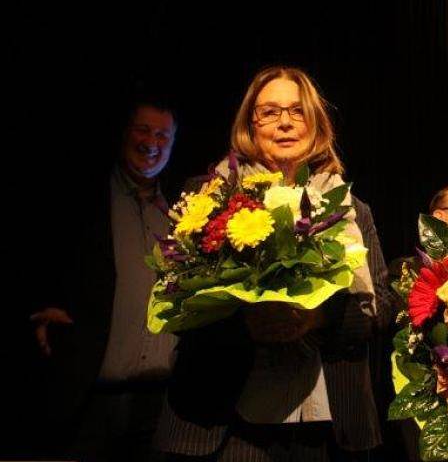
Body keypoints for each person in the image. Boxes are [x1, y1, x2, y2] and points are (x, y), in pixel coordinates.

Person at [154, 66, 394, 461]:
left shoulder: (353, 210)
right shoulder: (207, 197)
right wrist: (246, 321)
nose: (285, 122)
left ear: (316, 123)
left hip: (327, 427)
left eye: (297, 111)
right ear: (250, 125)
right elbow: (175, 296)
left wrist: (316, 318)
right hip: (228, 424)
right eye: (269, 112)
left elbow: (381, 305)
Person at [31, 99, 179, 461]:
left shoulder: (181, 209)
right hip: (86, 401)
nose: (152, 142)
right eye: (143, 130)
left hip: (160, 405)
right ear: (125, 133)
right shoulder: (83, 197)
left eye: (162, 135)